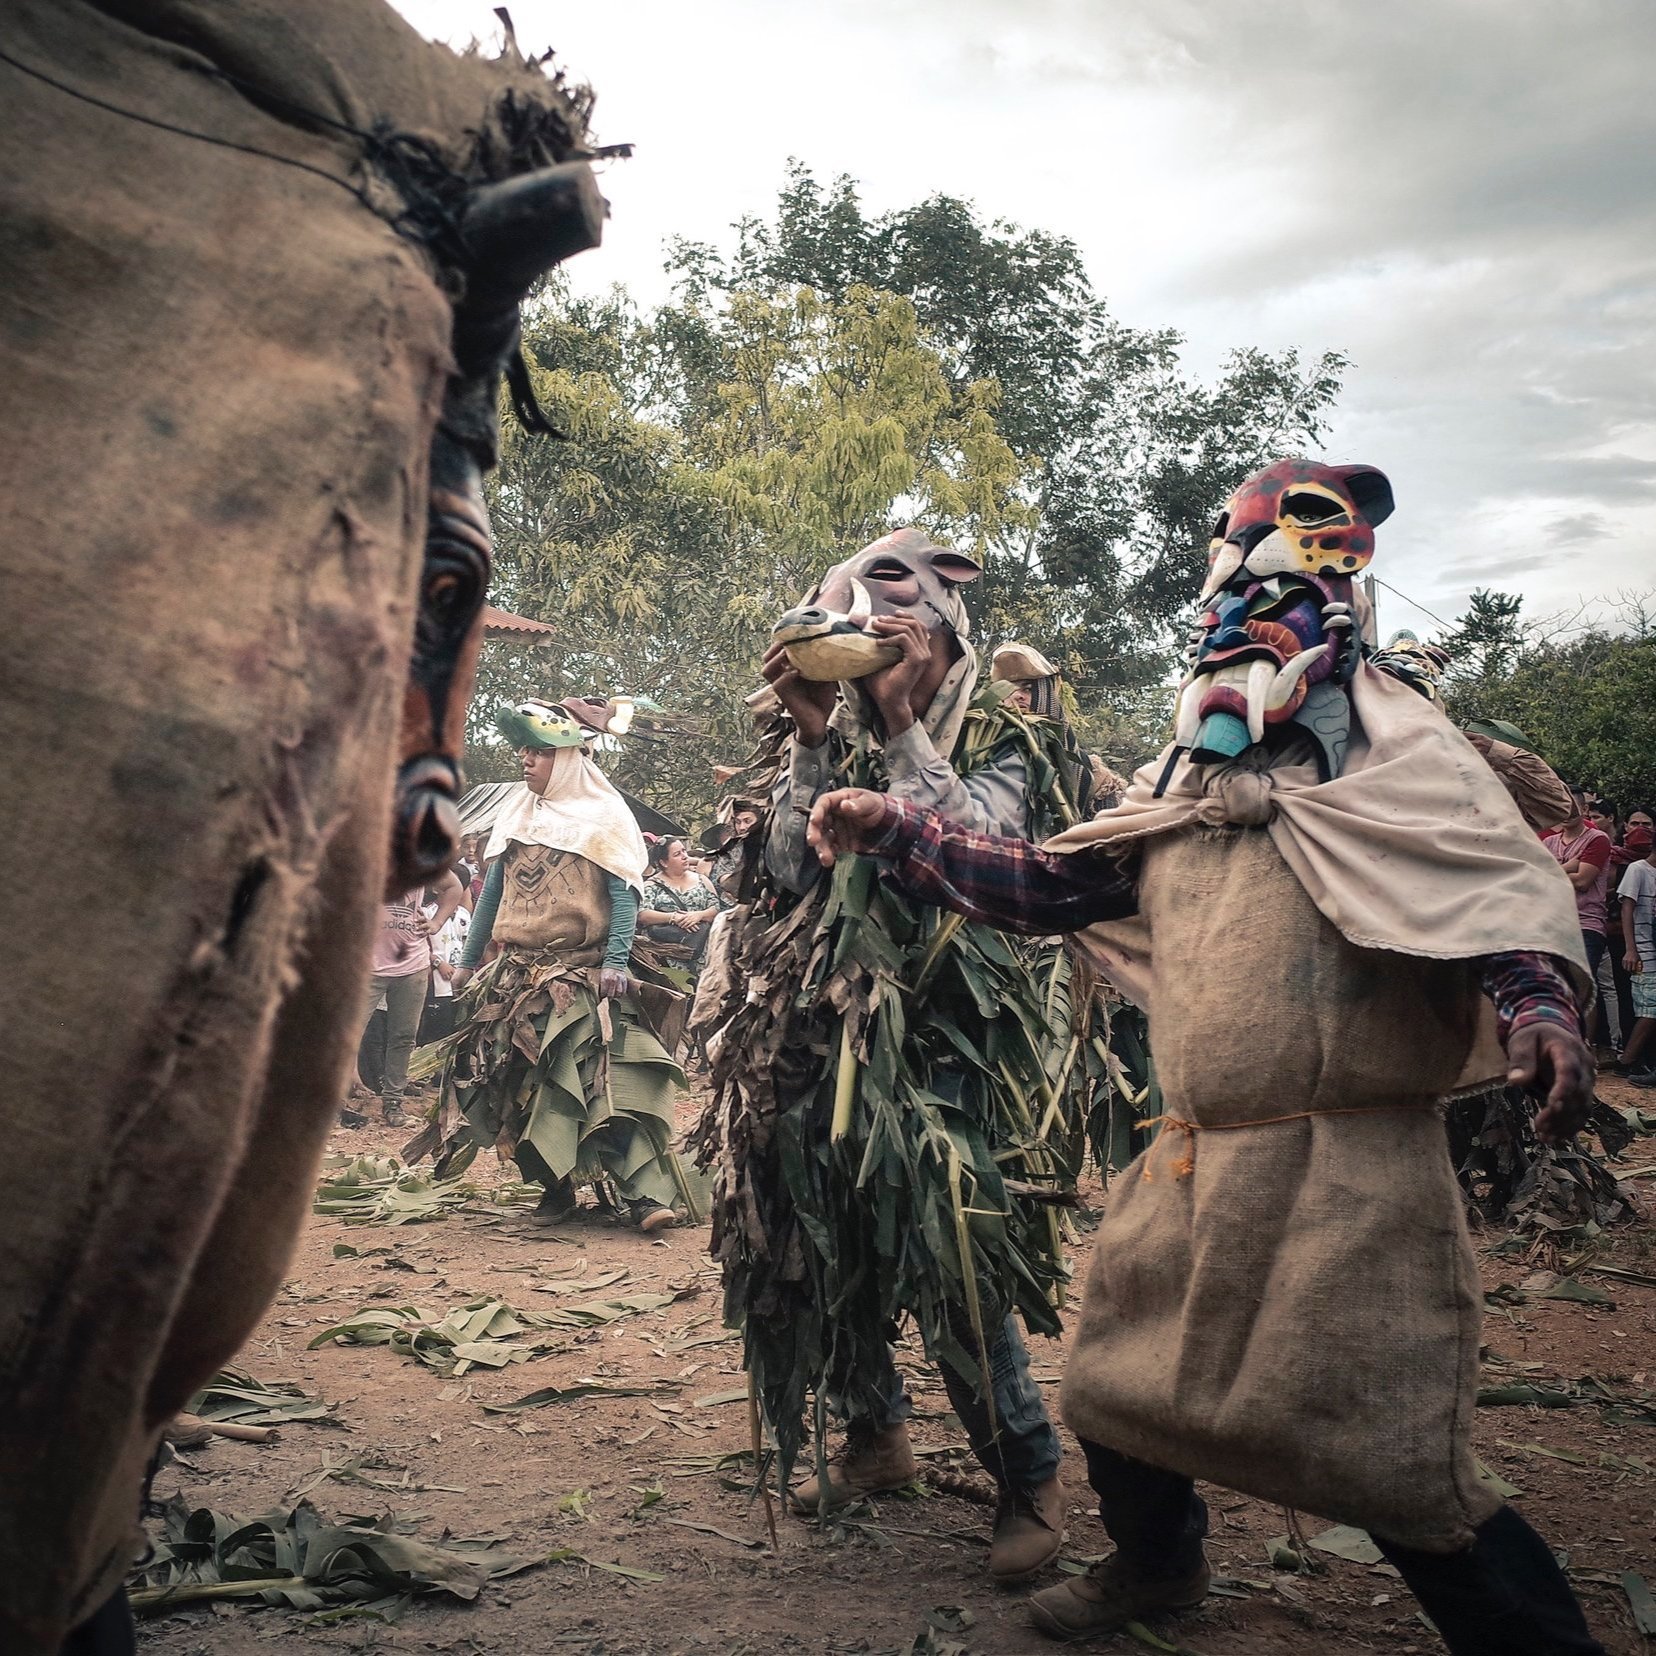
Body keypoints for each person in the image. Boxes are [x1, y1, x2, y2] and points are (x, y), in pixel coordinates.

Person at [804, 459, 1602, 1656]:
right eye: (1227, 605)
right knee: (1116, 1387)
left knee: (1383, 1450)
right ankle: (1157, 1564)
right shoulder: (1181, 790)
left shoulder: (1403, 769)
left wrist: (1540, 1008)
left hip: (1352, 1167)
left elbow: (1483, 896)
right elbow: (1044, 884)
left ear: (1339, 615)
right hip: (1191, 1155)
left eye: (1273, 606)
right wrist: (900, 830)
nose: (1242, 631)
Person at [695, 529, 1092, 1585]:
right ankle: (875, 1435)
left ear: (948, 614)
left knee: (952, 1244)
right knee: (817, 1234)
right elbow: (784, 869)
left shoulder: (1009, 727)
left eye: (891, 602)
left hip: (949, 1030)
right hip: (814, 1026)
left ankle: (1027, 1474)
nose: (871, 625)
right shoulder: (812, 724)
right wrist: (817, 735)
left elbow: (992, 859)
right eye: (850, 611)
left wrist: (907, 731)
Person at [406, 699, 692, 1232]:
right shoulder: (515, 815)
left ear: (565, 760)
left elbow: (624, 896)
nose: (524, 759)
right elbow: (490, 895)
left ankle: (642, 1196)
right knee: (521, 1083)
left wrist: (615, 961)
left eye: (537, 752)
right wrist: (469, 961)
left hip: (584, 975)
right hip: (517, 976)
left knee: (607, 1082)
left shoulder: (605, 817)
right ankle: (554, 1190)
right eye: (523, 751)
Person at [349, 872, 463, 1129]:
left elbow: (453, 886)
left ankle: (393, 1103)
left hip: (412, 964)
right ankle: (341, 1101)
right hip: (366, 964)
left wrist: (436, 923)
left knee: (402, 1036)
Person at [1543, 789, 1614, 977]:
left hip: (1585, 924)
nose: (1566, 812)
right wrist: (1570, 866)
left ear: (1584, 809)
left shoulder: (1597, 839)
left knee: (1579, 987)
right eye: (1561, 806)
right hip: (1551, 924)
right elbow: (1535, 879)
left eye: (1572, 806)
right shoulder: (1548, 842)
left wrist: (1549, 871)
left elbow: (1583, 881)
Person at [637, 837, 722, 975]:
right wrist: (673, 917)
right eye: (677, 854)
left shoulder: (702, 880)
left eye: (684, 851)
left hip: (702, 950)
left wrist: (698, 915)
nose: (684, 856)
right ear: (664, 862)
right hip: (665, 955)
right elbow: (642, 915)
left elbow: (716, 909)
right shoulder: (651, 885)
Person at [1619, 824, 1656, 1085]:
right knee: (1649, 1009)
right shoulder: (1638, 870)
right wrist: (1631, 948)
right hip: (1644, 949)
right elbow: (1627, 910)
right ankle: (1626, 1060)